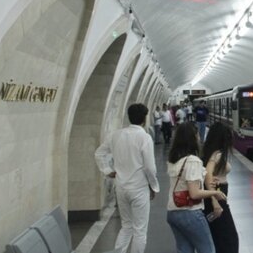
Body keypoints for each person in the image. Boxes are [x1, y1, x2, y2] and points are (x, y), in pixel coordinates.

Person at [94, 103, 159, 253]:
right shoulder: (145, 138)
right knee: (140, 230)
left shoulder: (115, 135)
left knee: (126, 226)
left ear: (129, 117)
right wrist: (153, 186)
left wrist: (107, 170)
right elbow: (150, 167)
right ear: (144, 119)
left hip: (121, 187)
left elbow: (99, 153)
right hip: (139, 188)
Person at [167, 122, 227, 253]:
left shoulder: (173, 160)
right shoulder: (193, 160)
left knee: (185, 250)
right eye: (197, 135)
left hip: (173, 212)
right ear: (192, 138)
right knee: (208, 250)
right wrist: (214, 193)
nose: (199, 138)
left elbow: (188, 180)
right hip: (190, 213)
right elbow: (194, 193)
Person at [202, 122, 239, 253]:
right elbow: (208, 174)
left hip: (216, 193)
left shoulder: (210, 153)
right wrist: (215, 201)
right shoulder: (217, 154)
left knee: (219, 236)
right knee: (229, 237)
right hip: (217, 196)